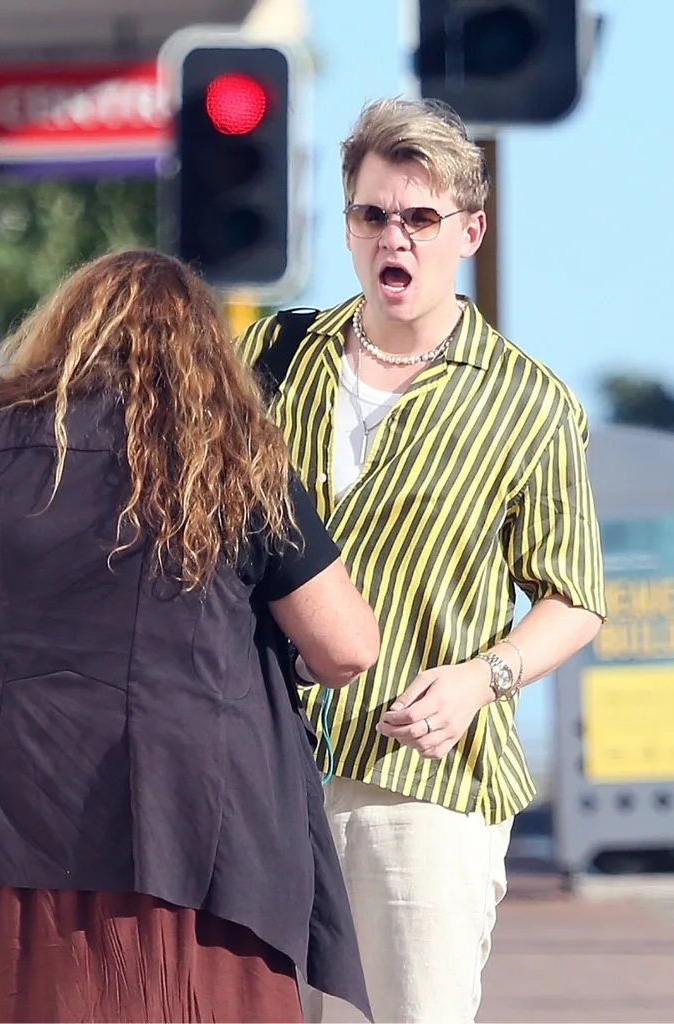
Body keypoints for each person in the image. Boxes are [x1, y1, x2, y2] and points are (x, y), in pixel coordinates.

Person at [0, 248, 380, 1024]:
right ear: (203, 351)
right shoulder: (231, 453)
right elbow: (347, 647)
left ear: (64, 326)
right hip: (192, 834)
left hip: (4, 817)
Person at [237, 97, 606, 1024]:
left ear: (468, 232)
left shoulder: (527, 402)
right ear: (347, 225)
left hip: (417, 789)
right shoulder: (272, 359)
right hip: (258, 770)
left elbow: (574, 597)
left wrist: (482, 679)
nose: (392, 236)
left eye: (419, 217)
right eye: (371, 214)